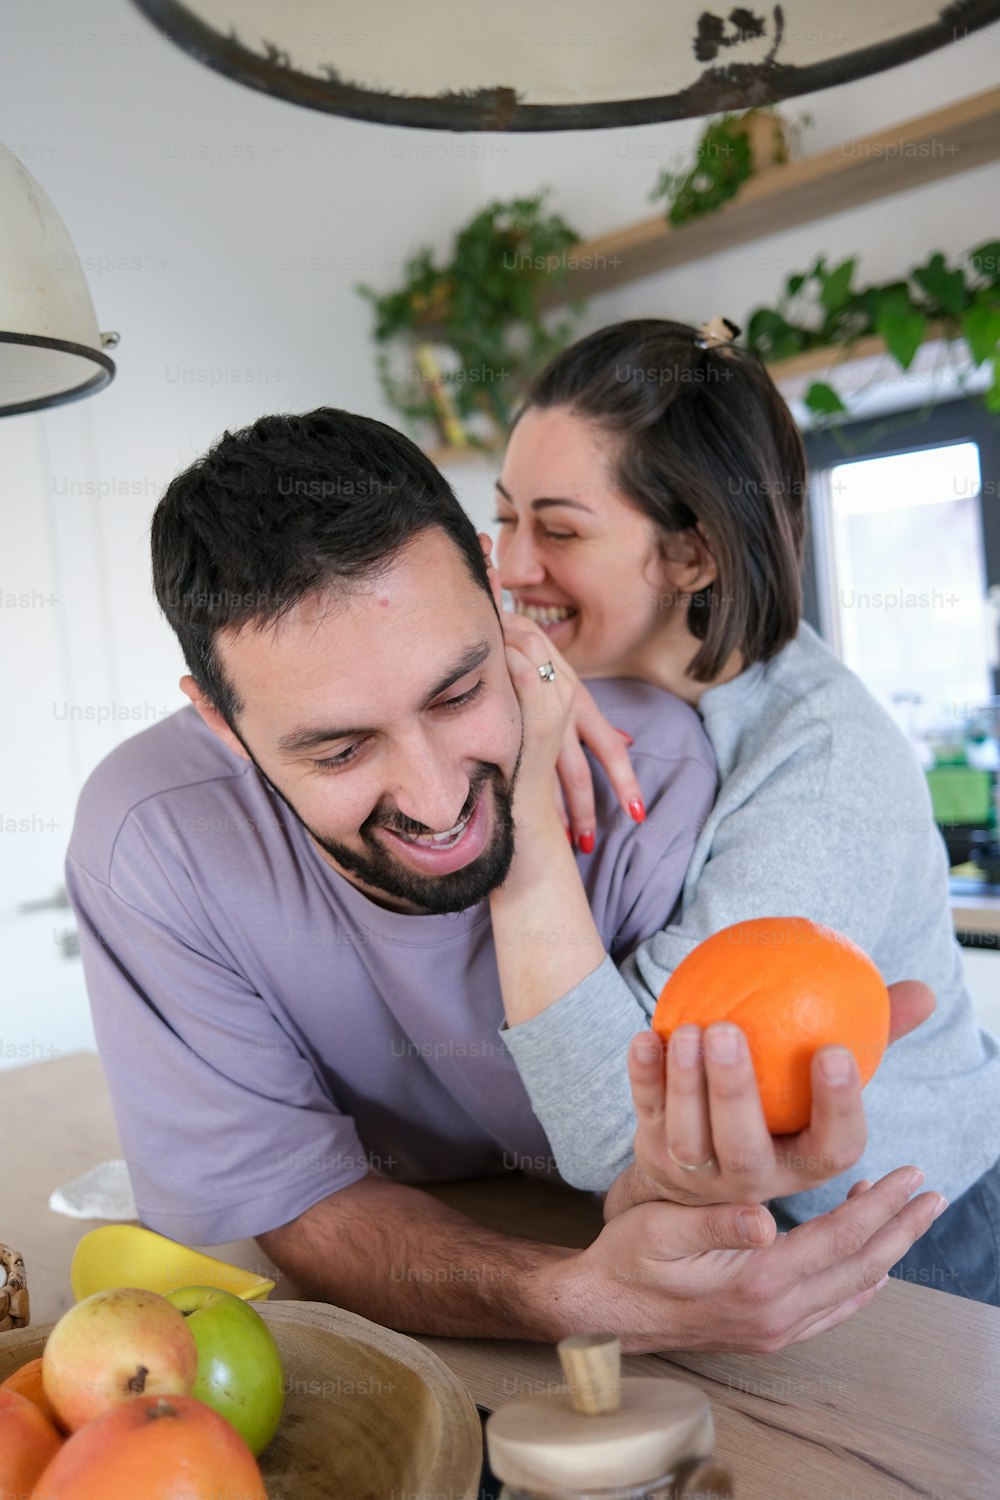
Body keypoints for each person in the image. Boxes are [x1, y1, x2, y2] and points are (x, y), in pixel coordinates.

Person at [64, 407, 942, 1353]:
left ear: (497, 601)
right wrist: (566, 1300)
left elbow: (630, 1151)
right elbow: (292, 1195)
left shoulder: (664, 769)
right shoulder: (150, 839)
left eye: (457, 694)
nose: (437, 800)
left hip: (888, 1265)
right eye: (340, 749)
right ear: (221, 723)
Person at [487, 317, 1000, 1305]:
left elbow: (616, 1128)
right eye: (503, 516)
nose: (509, 567)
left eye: (557, 530)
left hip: (920, 1234)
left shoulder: (823, 762)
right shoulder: (610, 683)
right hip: (763, 1235)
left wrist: (527, 828)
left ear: (690, 557)